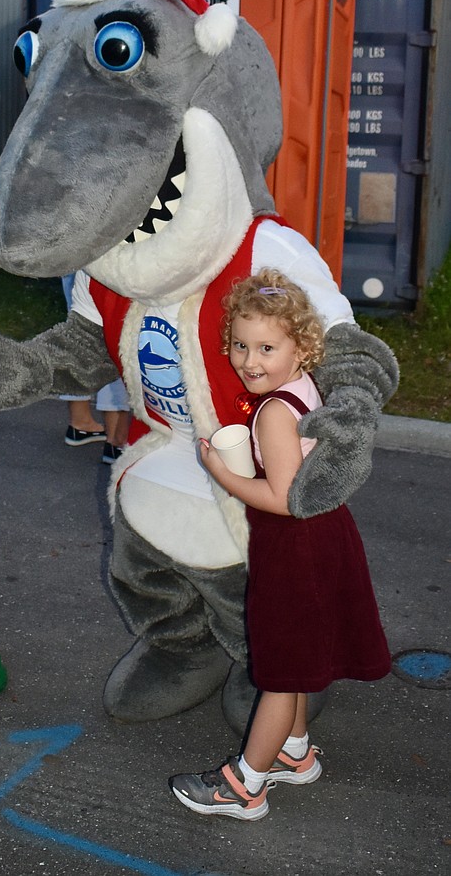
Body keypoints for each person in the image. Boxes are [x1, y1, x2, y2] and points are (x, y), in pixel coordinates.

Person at [169, 269, 391, 821]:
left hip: (296, 545)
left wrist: (221, 471)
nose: (250, 360)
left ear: (300, 346)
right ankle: (294, 754)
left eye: (267, 347)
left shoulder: (272, 413)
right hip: (323, 538)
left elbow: (285, 498)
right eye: (241, 346)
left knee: (279, 672)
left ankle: (244, 787)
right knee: (291, 657)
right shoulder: (303, 387)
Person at [59, 274, 130, 463]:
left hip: (69, 251)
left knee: (80, 332)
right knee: (115, 333)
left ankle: (80, 422)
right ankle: (117, 440)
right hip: (107, 254)